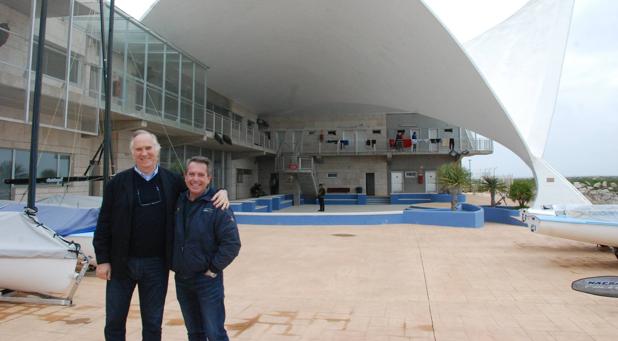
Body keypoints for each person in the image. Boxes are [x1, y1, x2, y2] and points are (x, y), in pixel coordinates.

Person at [93, 130, 230, 341]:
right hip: (121, 264)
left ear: (157, 151)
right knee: (114, 320)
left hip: (156, 266)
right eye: (139, 149)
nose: (144, 153)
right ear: (133, 153)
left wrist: (222, 191)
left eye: (148, 148)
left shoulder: (172, 181)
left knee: (153, 322)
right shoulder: (117, 183)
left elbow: (198, 185)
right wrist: (103, 260)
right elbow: (104, 224)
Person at [172, 156, 241, 341]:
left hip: (207, 281)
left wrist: (213, 269)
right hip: (183, 280)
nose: (195, 179)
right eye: (191, 174)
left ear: (209, 178)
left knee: (214, 333)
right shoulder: (177, 202)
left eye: (201, 175)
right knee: (194, 333)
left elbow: (232, 243)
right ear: (185, 177)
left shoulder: (218, 205)